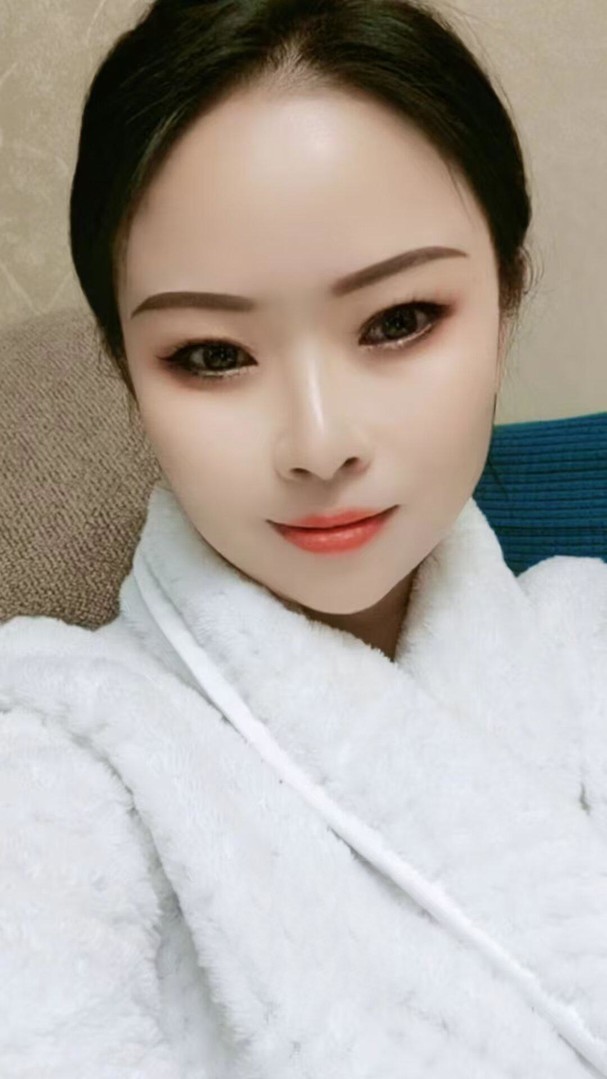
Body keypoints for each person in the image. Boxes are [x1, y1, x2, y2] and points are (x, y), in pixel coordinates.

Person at [1, 1, 606, 1075]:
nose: (319, 444)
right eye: (211, 354)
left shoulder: (587, 634)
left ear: (506, 295)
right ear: (124, 367)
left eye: (398, 320)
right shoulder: (59, 744)